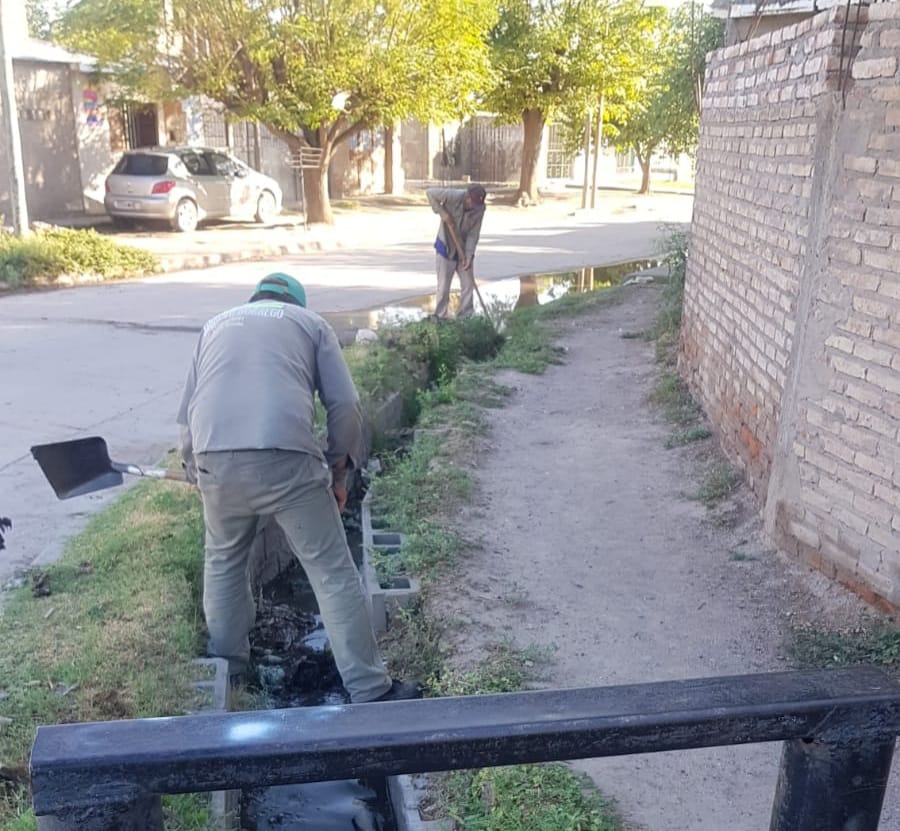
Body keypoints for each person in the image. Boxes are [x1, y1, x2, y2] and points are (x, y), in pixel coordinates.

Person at [177, 272, 420, 703]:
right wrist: (336, 471)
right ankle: (369, 689)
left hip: (213, 458)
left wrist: (197, 470)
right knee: (331, 572)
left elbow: (187, 420)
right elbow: (345, 407)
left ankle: (232, 675)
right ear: (297, 303)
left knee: (224, 562)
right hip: (287, 458)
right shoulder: (310, 324)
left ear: (253, 299)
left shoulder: (214, 326)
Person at [426, 183, 487, 320]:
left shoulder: (480, 209)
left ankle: (466, 317)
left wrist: (469, 256)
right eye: (473, 203)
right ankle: (440, 317)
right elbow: (430, 192)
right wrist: (443, 214)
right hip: (446, 247)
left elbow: (473, 234)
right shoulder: (454, 196)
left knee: (468, 284)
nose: (475, 208)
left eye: (478, 205)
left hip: (463, 250)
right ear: (468, 197)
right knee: (443, 287)